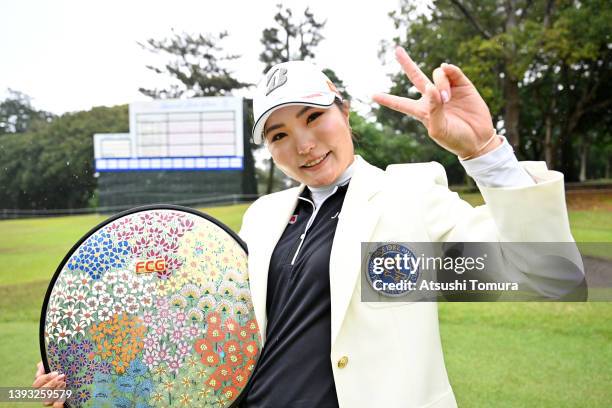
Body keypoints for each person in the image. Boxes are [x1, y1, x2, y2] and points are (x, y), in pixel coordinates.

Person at [34, 47, 574, 407]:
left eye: (314, 117)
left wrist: (485, 152)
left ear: (344, 112)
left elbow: (548, 275)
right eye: (278, 135)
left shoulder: (411, 195)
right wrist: (55, 387)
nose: (304, 144)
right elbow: (199, 333)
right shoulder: (262, 218)